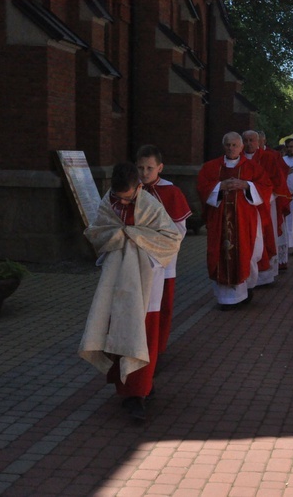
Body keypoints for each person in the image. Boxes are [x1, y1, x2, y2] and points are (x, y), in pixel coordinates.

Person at [79, 162, 183, 421]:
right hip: (116, 282)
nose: (122, 204)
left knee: (143, 334)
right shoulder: (109, 202)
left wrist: (134, 237)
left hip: (147, 280)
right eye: (118, 198)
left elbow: (171, 239)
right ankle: (128, 387)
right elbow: (96, 232)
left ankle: (138, 393)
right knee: (116, 330)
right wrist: (120, 237)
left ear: (138, 188)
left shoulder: (150, 205)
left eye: (127, 199)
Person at [197, 132, 273, 310]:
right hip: (219, 221)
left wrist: (247, 185)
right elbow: (201, 187)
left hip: (244, 220)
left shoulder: (252, 167)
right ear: (224, 147)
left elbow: (266, 187)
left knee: (247, 253)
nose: (231, 148)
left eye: (234, 145)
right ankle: (226, 298)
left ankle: (245, 289)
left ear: (241, 148)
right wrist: (219, 186)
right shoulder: (211, 167)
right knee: (220, 253)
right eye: (228, 145)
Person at [136, 145, 192, 355]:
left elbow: (178, 231)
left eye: (149, 168)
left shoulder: (171, 191)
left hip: (162, 261)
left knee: (160, 307)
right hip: (135, 260)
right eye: (140, 168)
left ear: (160, 168)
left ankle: (156, 351)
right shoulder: (131, 189)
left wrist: (152, 242)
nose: (144, 173)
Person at [243, 130, 291, 283]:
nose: (249, 144)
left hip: (267, 204)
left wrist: (263, 198)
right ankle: (247, 273)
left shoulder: (269, 158)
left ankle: (266, 276)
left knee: (266, 236)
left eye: (252, 140)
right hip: (244, 207)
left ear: (259, 142)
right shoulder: (239, 158)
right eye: (246, 140)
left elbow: (278, 182)